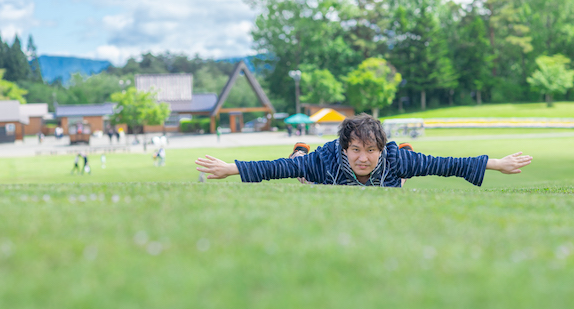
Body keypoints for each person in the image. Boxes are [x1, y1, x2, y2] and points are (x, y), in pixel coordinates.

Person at [195, 114, 533, 187]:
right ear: (345, 148)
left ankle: (402, 149)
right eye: (355, 149)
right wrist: (229, 168)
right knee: (297, 168)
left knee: (404, 172)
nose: (362, 157)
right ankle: (301, 152)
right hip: (315, 168)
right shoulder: (327, 158)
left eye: (370, 150)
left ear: (381, 149)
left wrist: (498, 163)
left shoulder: (394, 159)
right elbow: (272, 169)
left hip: (394, 168)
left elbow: (447, 164)